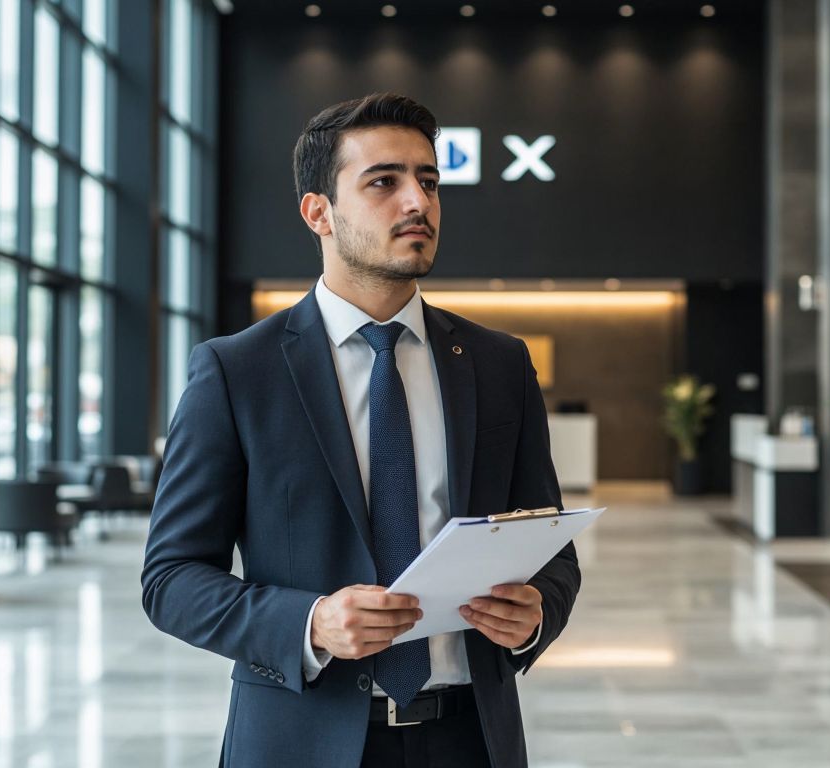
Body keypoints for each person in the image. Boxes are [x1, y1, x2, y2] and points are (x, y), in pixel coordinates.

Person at [141, 93, 581, 768]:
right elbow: (171, 579)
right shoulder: (238, 371)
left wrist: (534, 616)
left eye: (428, 181)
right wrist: (309, 623)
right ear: (318, 211)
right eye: (384, 182)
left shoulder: (498, 365)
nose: (418, 202)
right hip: (300, 739)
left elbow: (552, 551)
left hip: (470, 739)